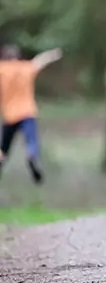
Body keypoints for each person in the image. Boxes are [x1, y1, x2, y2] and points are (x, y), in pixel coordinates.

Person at [0, 44, 63, 183]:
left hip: (9, 116)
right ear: (18, 57)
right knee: (32, 141)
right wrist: (53, 54)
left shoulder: (2, 69)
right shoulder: (25, 68)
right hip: (27, 113)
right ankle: (31, 156)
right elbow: (40, 61)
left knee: (3, 147)